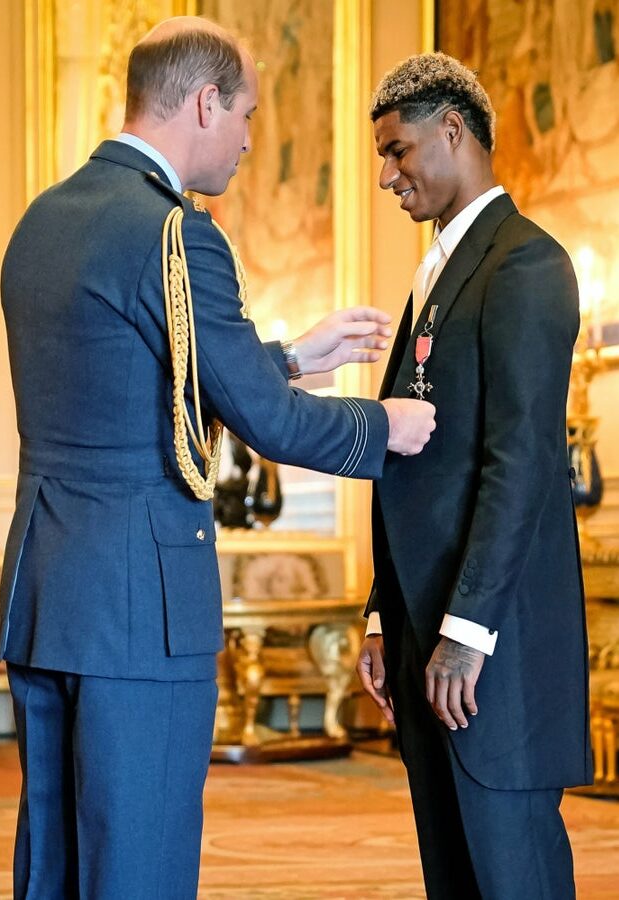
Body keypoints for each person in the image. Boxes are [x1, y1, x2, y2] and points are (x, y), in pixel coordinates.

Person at [0, 16, 436, 900]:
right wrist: (383, 425)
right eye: (245, 114)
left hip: (47, 592)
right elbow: (270, 426)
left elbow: (135, 379)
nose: (245, 139)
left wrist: (288, 356)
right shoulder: (175, 232)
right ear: (204, 103)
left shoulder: (45, 219)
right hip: (140, 608)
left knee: (56, 865)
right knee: (140, 866)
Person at [357, 52, 592, 900]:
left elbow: (520, 462)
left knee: (511, 876)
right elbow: (407, 464)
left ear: (451, 131)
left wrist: (465, 632)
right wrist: (385, 612)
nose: (387, 174)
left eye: (396, 150)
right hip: (428, 635)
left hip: (491, 645)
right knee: (454, 878)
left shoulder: (525, 264)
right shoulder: (439, 270)